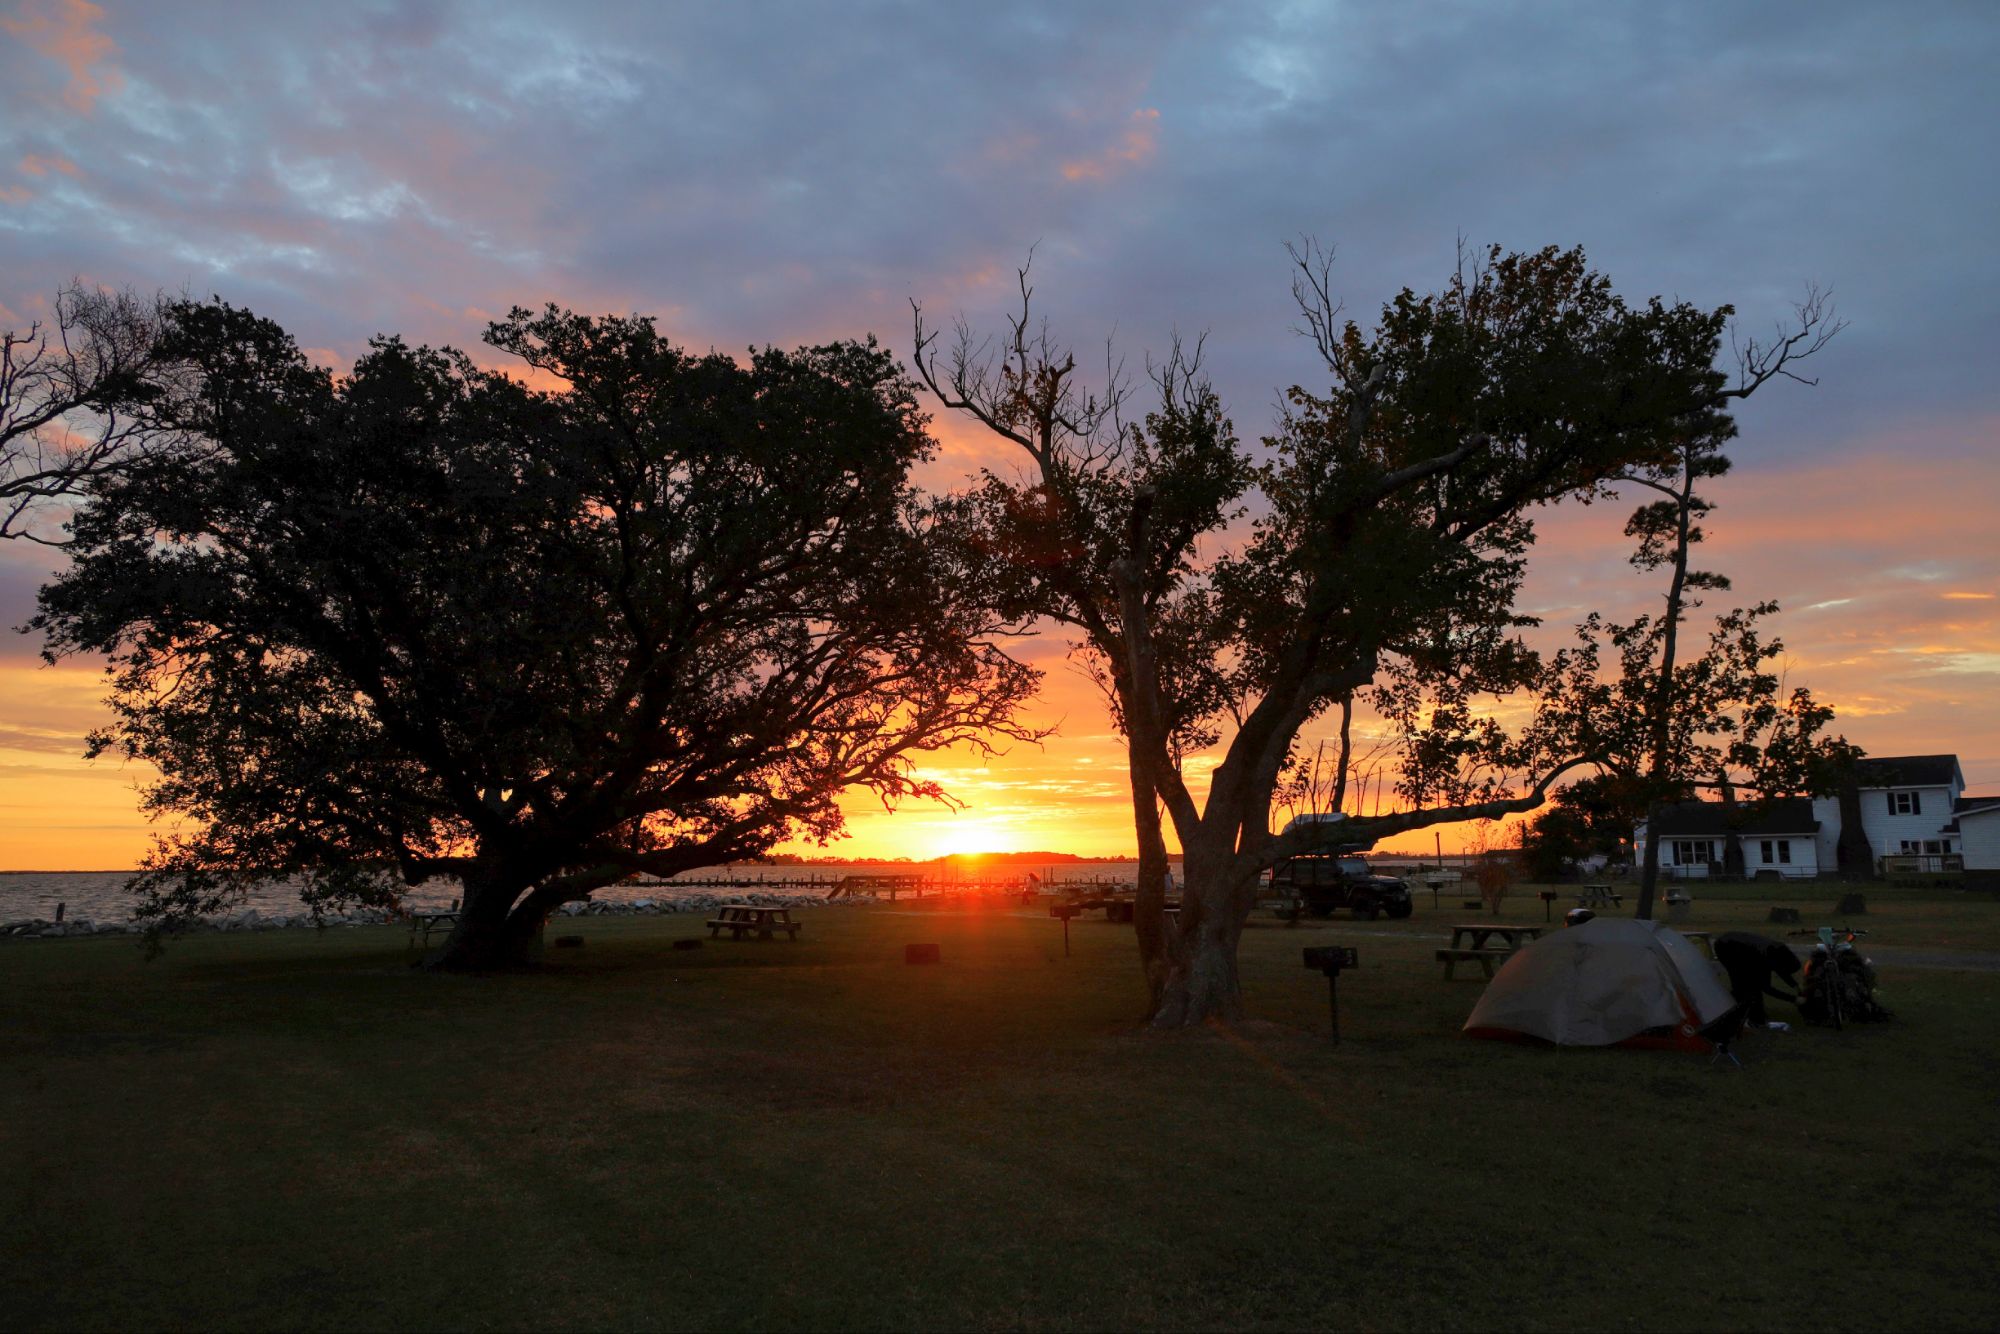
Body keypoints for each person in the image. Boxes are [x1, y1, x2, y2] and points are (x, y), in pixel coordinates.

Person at [1712, 931, 1802, 1028]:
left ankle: (1753, 1013)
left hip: (1738, 943)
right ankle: (1734, 1011)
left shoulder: (1780, 951)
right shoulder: (1763, 959)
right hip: (1727, 947)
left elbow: (1782, 971)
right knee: (1743, 983)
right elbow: (1767, 989)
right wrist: (1793, 999)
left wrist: (1796, 986)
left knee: (1752, 985)